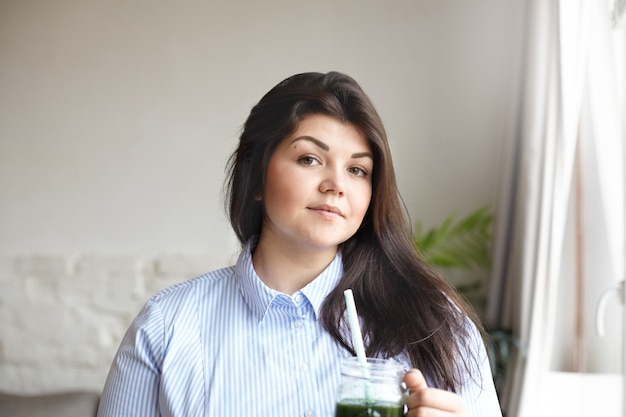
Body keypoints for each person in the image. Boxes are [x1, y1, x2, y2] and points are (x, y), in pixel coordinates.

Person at [97, 71, 502, 417]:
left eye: (358, 169)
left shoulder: (436, 323)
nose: (336, 185)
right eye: (310, 159)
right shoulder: (166, 327)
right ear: (255, 176)